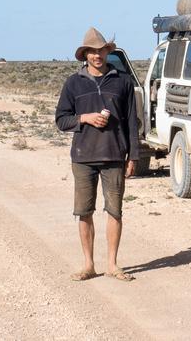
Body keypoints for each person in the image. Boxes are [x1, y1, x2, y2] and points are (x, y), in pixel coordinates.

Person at [55, 27, 139, 282]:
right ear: (85, 55)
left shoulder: (123, 82)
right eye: (91, 51)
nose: (96, 55)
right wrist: (85, 118)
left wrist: (134, 156)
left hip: (114, 155)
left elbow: (133, 123)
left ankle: (112, 264)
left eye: (100, 50)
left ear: (107, 52)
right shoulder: (73, 83)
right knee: (84, 211)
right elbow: (61, 120)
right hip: (83, 157)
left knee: (115, 211)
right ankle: (88, 265)